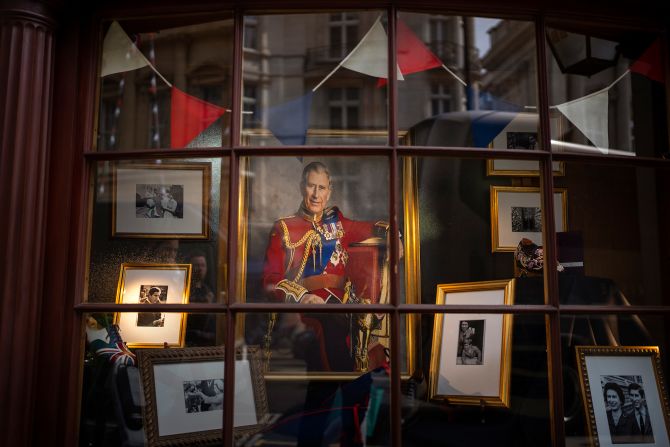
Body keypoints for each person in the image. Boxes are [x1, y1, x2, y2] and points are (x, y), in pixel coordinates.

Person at [262, 161, 389, 372]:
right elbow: (270, 278)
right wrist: (302, 296)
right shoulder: (283, 227)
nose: (315, 194)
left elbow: (369, 228)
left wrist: (395, 235)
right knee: (334, 329)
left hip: (343, 302)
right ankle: (343, 388)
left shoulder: (338, 223)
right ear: (302, 187)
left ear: (329, 192)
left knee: (365, 328)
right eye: (311, 186)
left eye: (321, 188)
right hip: (306, 306)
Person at [185, 250, 217, 346]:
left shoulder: (209, 291)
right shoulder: (183, 289)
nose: (200, 269)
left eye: (203, 265)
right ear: (190, 267)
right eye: (197, 265)